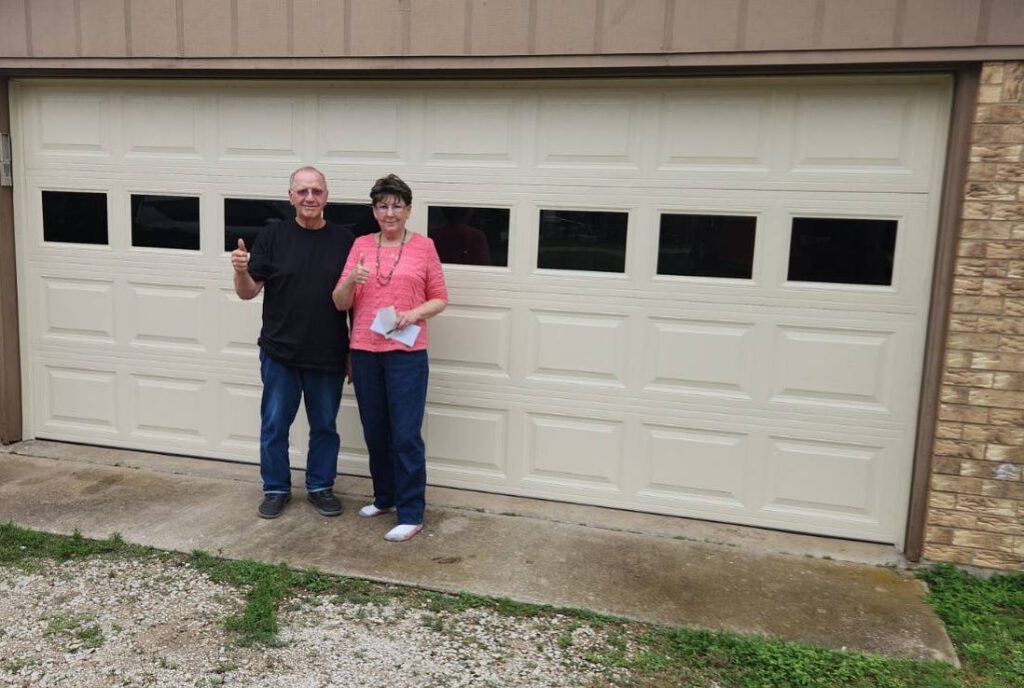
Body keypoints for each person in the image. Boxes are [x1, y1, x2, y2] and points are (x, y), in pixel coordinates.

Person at [230, 166, 355, 519]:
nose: (309, 198)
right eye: (302, 191)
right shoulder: (272, 237)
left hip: (327, 353)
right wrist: (240, 270)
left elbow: (355, 301)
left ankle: (320, 486)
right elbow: (248, 292)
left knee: (325, 427)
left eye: (316, 191)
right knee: (274, 425)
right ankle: (275, 487)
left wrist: (352, 353)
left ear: (327, 196)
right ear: (290, 197)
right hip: (279, 352)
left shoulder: (345, 241)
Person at [332, 174, 448, 542]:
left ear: (409, 210)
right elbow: (339, 301)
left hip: (407, 353)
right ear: (374, 211)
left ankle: (411, 512)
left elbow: (440, 297)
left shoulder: (424, 247)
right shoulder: (361, 245)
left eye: (398, 205)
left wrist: (413, 314)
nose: (390, 212)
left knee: (405, 434)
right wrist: (353, 280)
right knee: (375, 430)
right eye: (383, 205)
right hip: (366, 351)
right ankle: (384, 497)